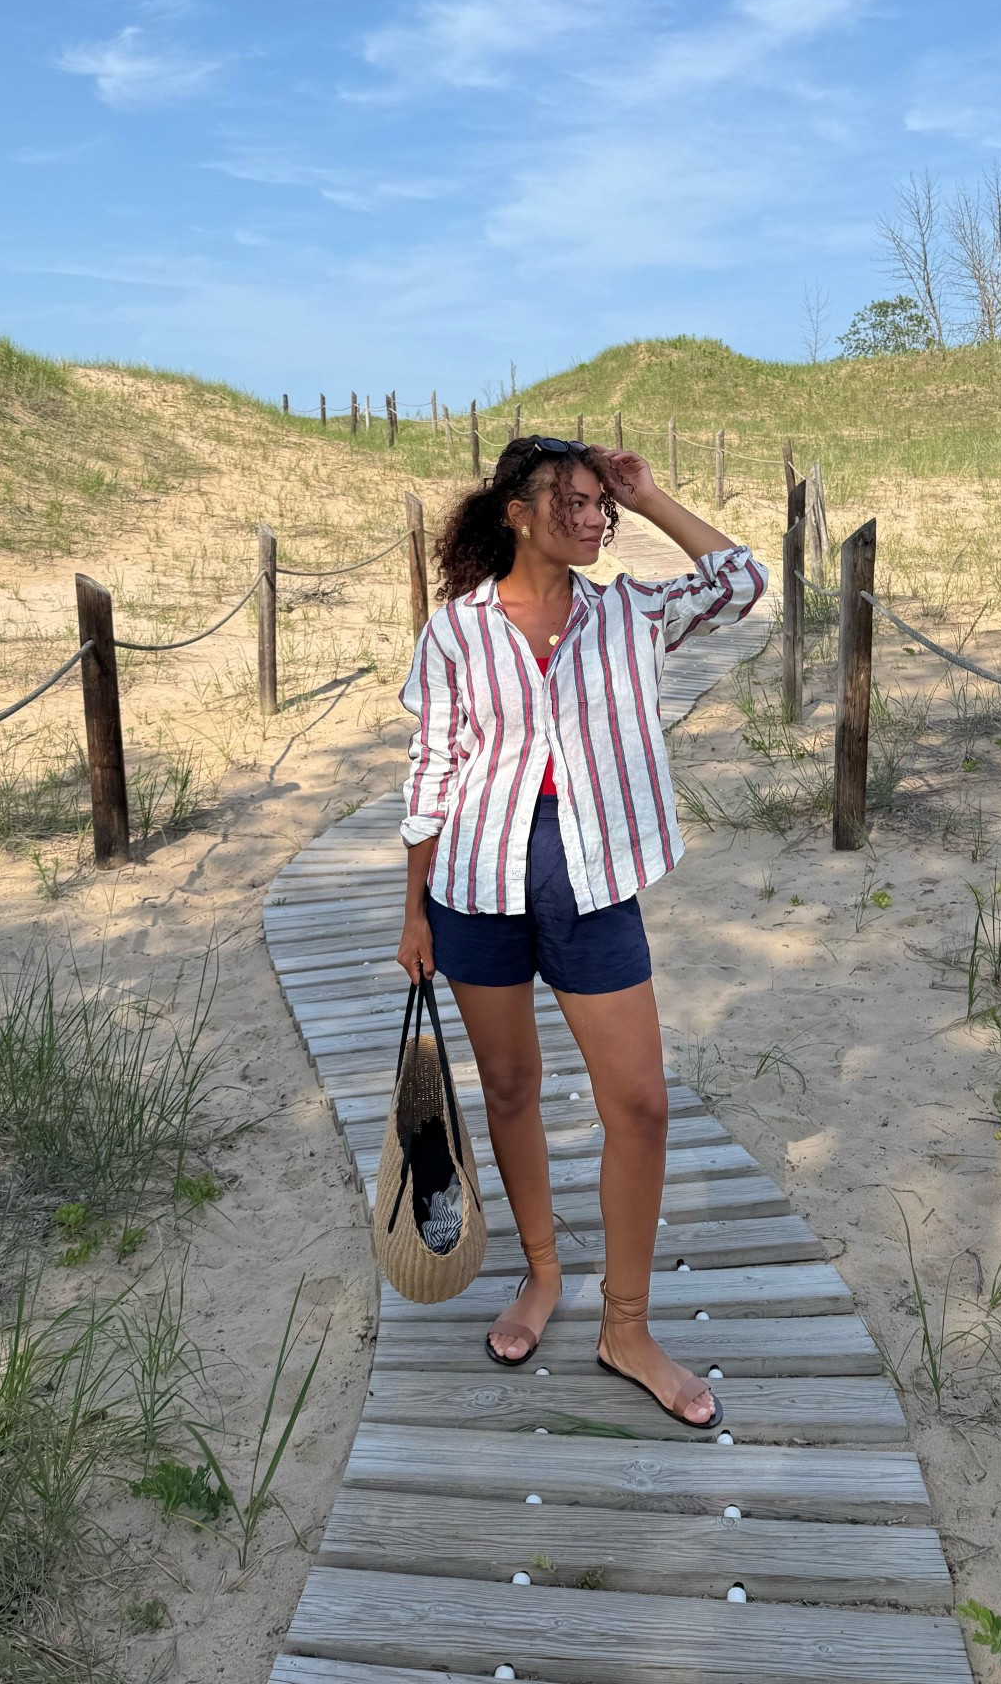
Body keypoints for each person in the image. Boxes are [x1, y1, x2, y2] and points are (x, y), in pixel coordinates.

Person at [394, 435, 767, 1428]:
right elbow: (434, 770)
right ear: (518, 509)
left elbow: (742, 580)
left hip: (595, 877)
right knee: (510, 1085)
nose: (597, 518)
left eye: (605, 503)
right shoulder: (458, 632)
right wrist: (412, 907)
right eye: (580, 500)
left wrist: (652, 497)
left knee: (639, 1102)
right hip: (475, 877)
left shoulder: (631, 612)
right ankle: (542, 1272)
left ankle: (629, 1325)